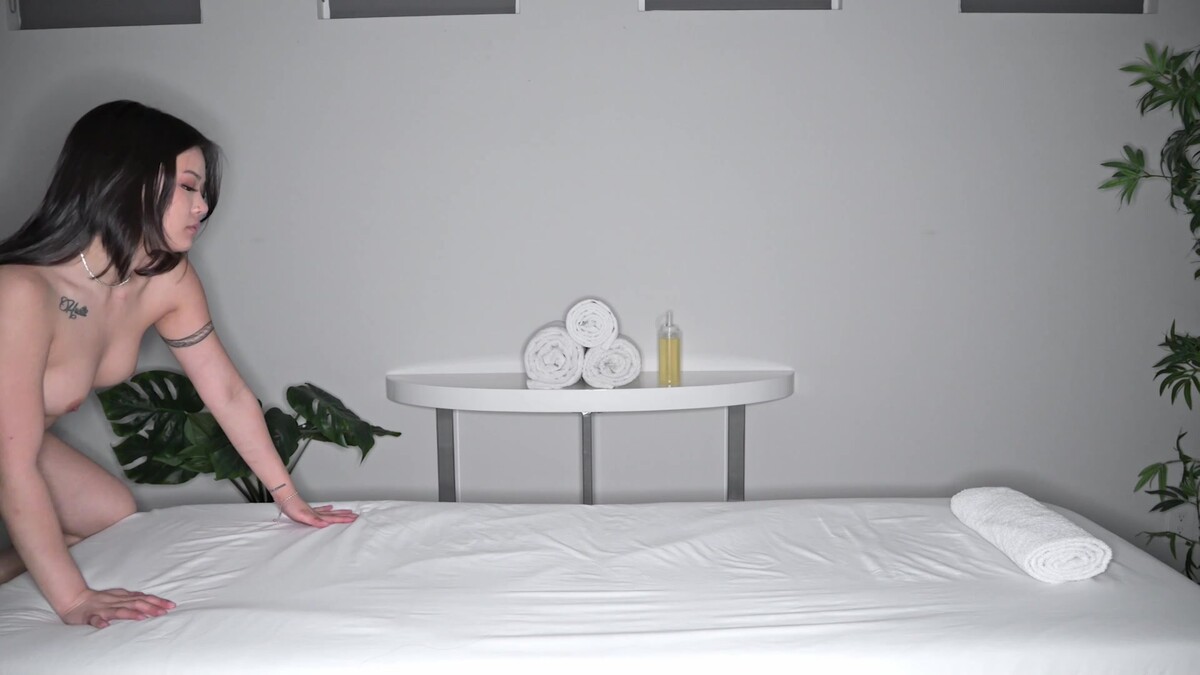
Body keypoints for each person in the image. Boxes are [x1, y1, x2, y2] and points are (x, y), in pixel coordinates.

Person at [0, 100, 356, 629]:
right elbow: (13, 463)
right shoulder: (22, 291)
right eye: (189, 187)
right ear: (126, 181)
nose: (203, 206)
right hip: (11, 452)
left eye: (203, 191)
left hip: (15, 445)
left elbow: (226, 391)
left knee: (110, 515)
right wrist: (74, 599)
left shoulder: (167, 280)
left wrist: (288, 498)